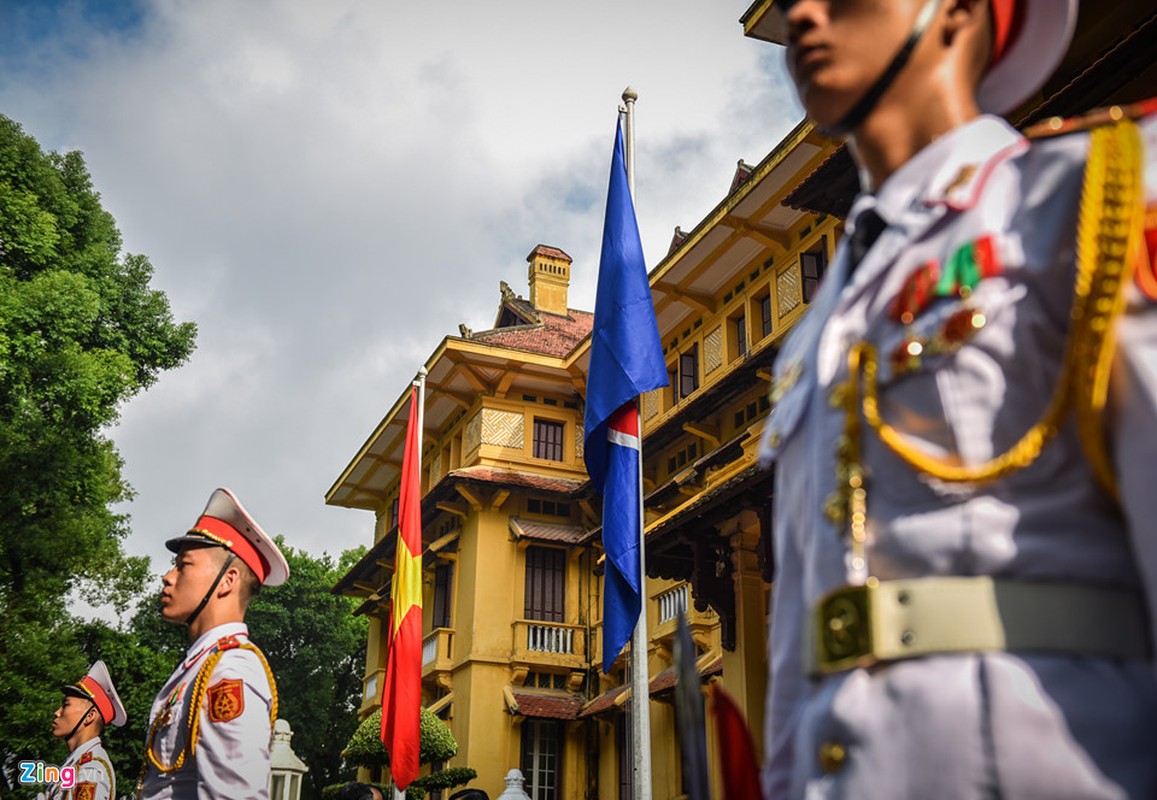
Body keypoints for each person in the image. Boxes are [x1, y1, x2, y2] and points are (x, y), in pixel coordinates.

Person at [757, 0, 1157, 798]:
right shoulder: (814, 332)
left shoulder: (1095, 191)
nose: (803, 13)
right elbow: (801, 635)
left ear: (959, 10)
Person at [136, 487, 290, 800]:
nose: (167, 576)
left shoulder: (230, 670)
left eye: (183, 565)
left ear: (228, 580)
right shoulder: (201, 665)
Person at [40, 660, 127, 800]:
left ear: (90, 716)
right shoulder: (76, 764)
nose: (57, 712)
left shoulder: (91, 769)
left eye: (66, 705)